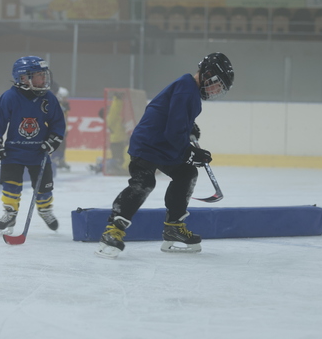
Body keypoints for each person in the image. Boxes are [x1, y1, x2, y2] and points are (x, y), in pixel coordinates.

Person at [95, 52, 234, 259]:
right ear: (208, 74)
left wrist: (190, 127)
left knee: (186, 174)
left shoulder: (191, 91)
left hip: (165, 145)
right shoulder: (186, 89)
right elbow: (173, 131)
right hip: (149, 144)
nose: (216, 90)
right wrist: (189, 152)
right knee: (144, 183)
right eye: (217, 84)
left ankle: (173, 227)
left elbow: (175, 118)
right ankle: (113, 229)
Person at [0, 56, 66, 236]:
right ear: (23, 78)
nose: (44, 79)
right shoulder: (10, 97)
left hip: (39, 152)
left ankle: (45, 210)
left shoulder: (48, 98)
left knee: (44, 187)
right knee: (11, 185)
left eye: (44, 75)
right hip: (13, 152)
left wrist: (52, 140)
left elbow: (58, 123)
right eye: (38, 75)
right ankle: (10, 213)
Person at [51, 86, 71, 171]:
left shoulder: (63, 105)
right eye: (64, 97)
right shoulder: (55, 104)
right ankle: (54, 161)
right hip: (56, 130)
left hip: (62, 130)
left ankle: (61, 160)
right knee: (57, 146)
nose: (66, 99)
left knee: (63, 146)